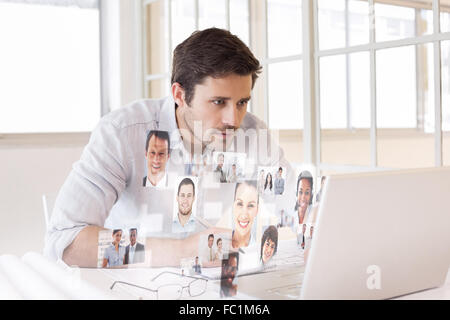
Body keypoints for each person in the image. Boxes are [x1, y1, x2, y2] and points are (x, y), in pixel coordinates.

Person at [45, 27, 294, 268]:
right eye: (219, 102)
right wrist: (183, 251)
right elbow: (66, 242)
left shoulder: (252, 133)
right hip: (127, 285)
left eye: (242, 102)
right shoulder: (121, 133)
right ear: (179, 95)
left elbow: (298, 205)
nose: (233, 119)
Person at [231, 180, 259, 249]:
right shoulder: (218, 242)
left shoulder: (258, 252)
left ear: (257, 210)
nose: (244, 216)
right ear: (233, 206)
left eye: (251, 205)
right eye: (240, 204)